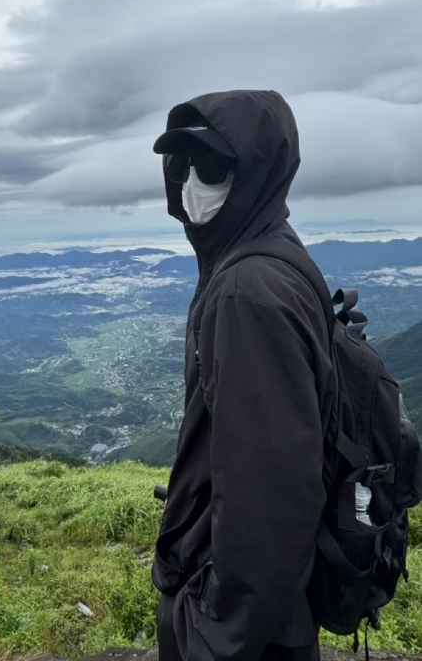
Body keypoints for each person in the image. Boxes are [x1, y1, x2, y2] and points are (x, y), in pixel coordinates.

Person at [151, 90, 333, 661]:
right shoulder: (273, 254)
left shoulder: (245, 291)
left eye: (210, 165)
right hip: (271, 616)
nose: (190, 183)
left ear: (256, 172)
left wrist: (213, 637)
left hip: (247, 633)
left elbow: (271, 495)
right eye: (181, 165)